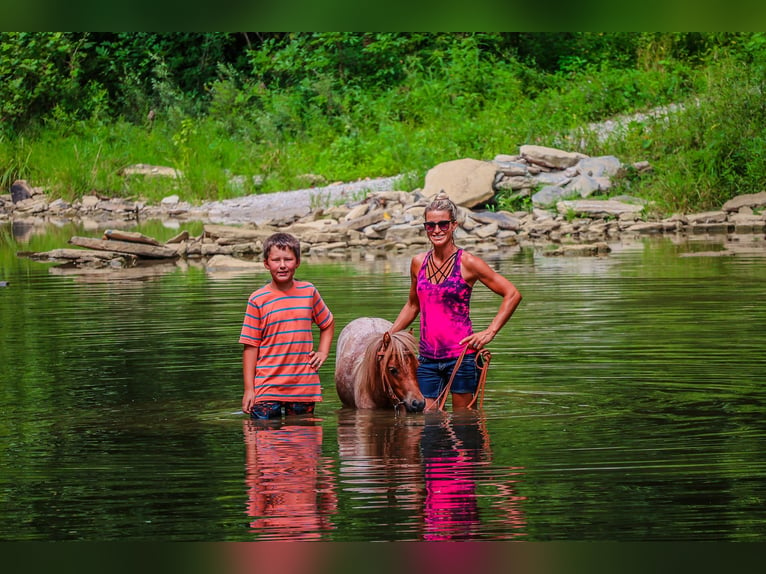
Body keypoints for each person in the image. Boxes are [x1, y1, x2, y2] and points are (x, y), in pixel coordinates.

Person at [390, 192, 522, 410]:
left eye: (443, 224)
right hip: (427, 359)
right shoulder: (418, 263)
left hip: (461, 357)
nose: (437, 230)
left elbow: (512, 293)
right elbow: (413, 305)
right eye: (430, 226)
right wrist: (389, 336)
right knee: (429, 425)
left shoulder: (468, 263)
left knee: (464, 424)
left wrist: (489, 332)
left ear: (454, 226)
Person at [239, 232, 335, 419]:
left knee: (304, 439)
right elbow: (250, 346)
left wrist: (323, 352)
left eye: (288, 259)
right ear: (266, 263)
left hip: (304, 385)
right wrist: (249, 390)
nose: (282, 265)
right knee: (262, 436)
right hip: (266, 386)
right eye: (276, 260)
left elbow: (328, 323)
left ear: (297, 262)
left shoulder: (308, 292)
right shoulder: (257, 299)